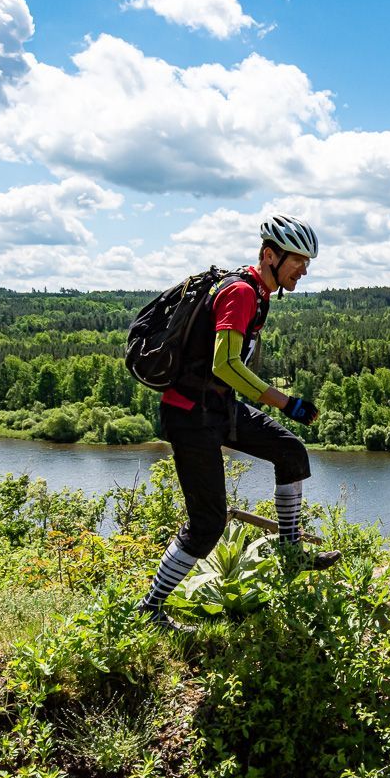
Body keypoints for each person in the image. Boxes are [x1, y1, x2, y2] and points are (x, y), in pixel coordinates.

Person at [137, 215, 341, 628]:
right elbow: (225, 363)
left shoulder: (257, 292)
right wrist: (285, 402)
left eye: (307, 263)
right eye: (299, 261)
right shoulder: (242, 293)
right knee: (208, 524)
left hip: (218, 407)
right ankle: (151, 608)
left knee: (290, 452)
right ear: (270, 255)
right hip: (191, 415)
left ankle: (290, 551)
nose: (304, 270)